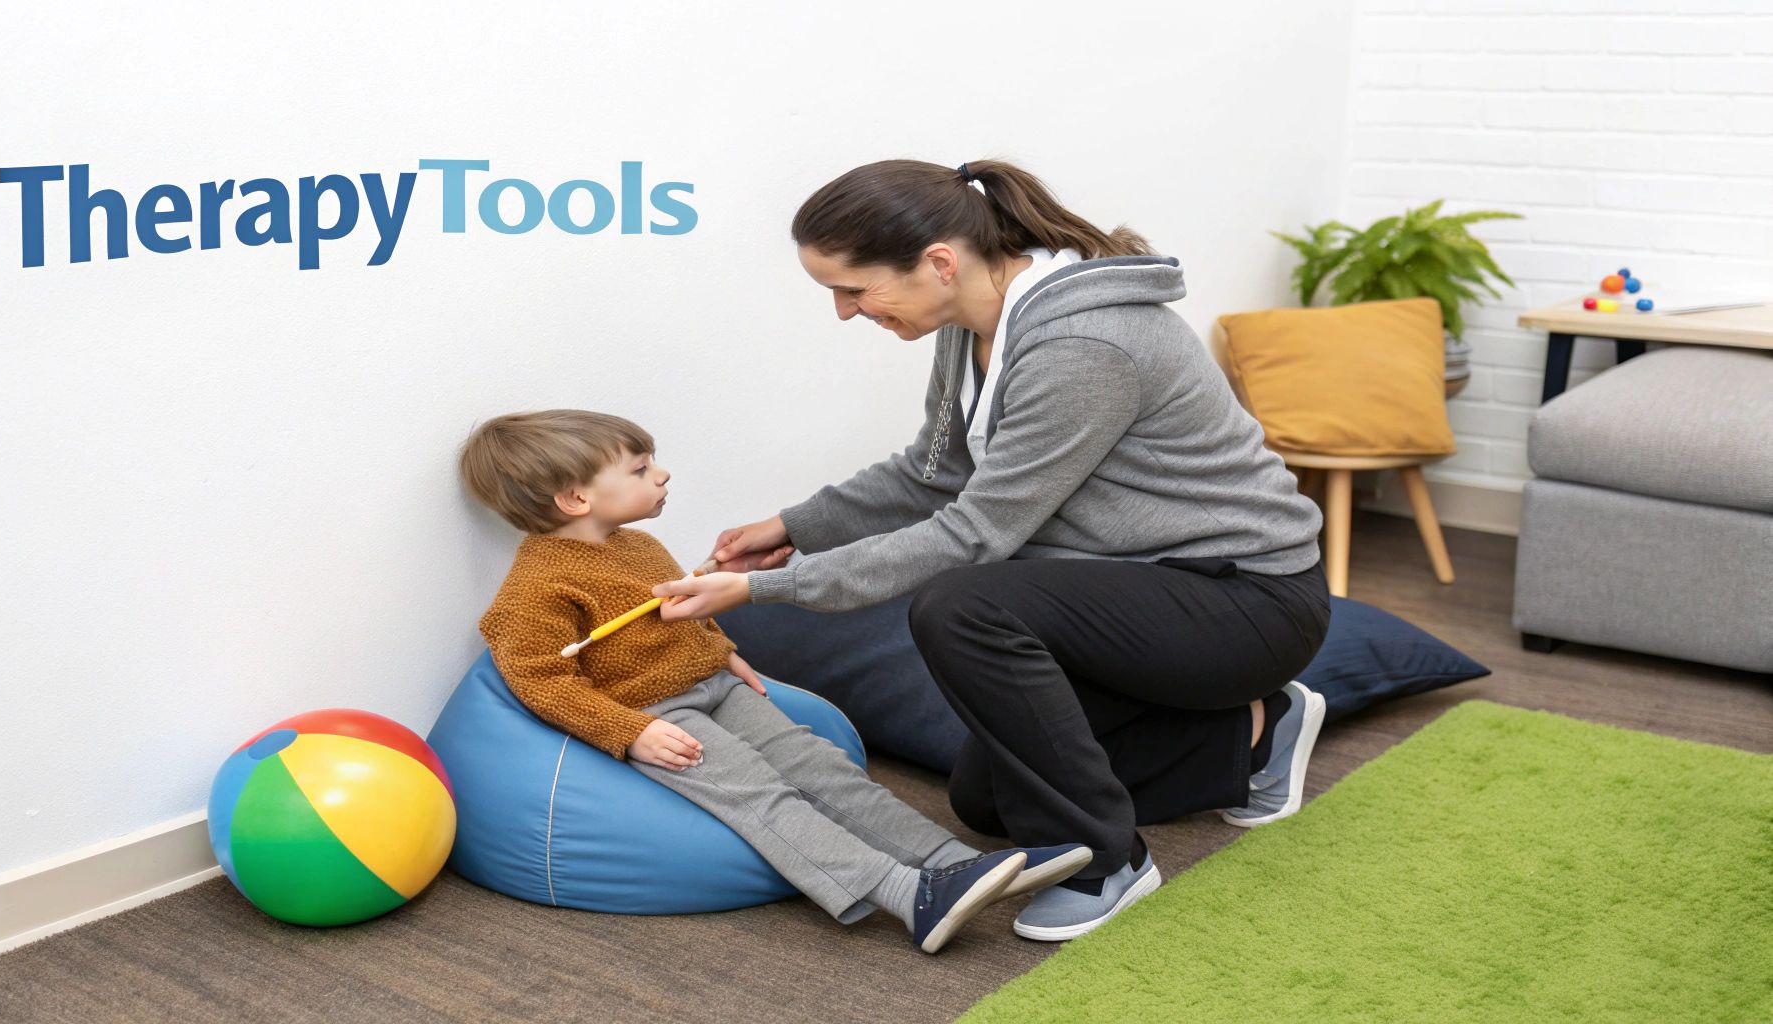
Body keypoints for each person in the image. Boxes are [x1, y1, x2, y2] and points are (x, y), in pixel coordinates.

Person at [651, 158, 1333, 941]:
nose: (843, 313)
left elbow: (974, 532)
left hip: (1243, 599)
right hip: (1124, 595)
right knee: (988, 801)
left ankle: (1106, 863)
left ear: (940, 263)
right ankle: (1255, 733)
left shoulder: (1085, 344)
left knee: (963, 602)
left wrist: (772, 590)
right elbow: (932, 472)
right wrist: (793, 525)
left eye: (854, 289)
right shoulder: (974, 327)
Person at [457, 409, 1092, 953]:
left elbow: (671, 612)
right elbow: (539, 681)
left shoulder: (634, 544)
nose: (662, 474)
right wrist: (631, 732)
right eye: (640, 467)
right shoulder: (536, 586)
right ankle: (909, 897)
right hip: (654, 714)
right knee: (761, 795)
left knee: (822, 768)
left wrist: (722, 651)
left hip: (715, 686)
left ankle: (953, 864)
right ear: (575, 499)